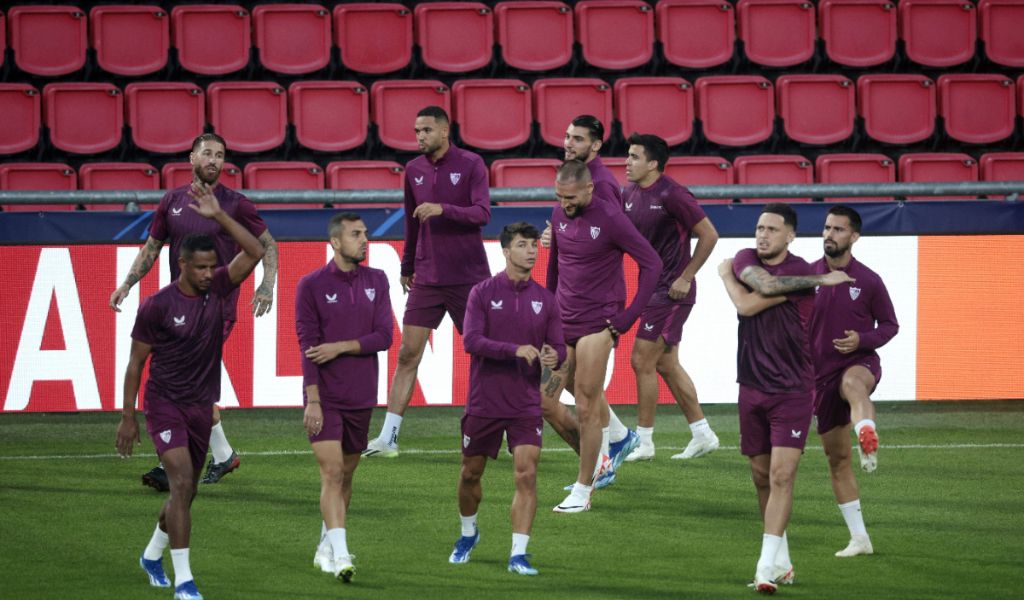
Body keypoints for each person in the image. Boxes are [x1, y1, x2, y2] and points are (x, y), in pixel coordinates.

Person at [116, 183, 265, 600]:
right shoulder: (157, 307)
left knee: (189, 490)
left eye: (211, 267)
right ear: (181, 264)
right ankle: (184, 580)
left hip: (202, 406)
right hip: (165, 405)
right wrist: (128, 418)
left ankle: (151, 554)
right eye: (199, 268)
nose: (207, 274)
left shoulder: (217, 288)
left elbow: (254, 251)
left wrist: (219, 216)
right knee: (181, 483)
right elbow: (134, 366)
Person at [110, 133, 279, 491]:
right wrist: (127, 283)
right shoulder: (171, 201)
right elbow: (153, 247)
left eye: (220, 155)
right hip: (177, 308)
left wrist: (267, 285)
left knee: (178, 381)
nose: (214, 160)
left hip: (217, 307)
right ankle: (221, 454)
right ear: (191, 158)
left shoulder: (235, 203)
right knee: (188, 386)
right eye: (207, 154)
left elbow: (266, 245)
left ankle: (171, 462)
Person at [717, 203, 854, 593]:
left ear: (790, 236)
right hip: (751, 386)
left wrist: (727, 276)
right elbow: (752, 297)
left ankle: (763, 567)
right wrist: (732, 275)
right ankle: (783, 561)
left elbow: (754, 296)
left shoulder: (807, 272)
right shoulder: (751, 259)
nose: (762, 235)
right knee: (761, 477)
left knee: (781, 476)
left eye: (772, 230)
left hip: (793, 389)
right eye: (760, 228)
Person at [363, 106, 490, 458]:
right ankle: (388, 438)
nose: (420, 136)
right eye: (417, 130)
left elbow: (483, 214)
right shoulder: (414, 170)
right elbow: (412, 222)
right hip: (428, 278)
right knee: (407, 354)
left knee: (487, 355)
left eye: (426, 130)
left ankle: (502, 428)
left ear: (445, 131)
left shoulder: (472, 164)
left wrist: (443, 209)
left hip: (469, 278)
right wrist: (406, 264)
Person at [448, 222, 565, 576]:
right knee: (471, 474)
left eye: (533, 245)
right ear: (505, 250)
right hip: (485, 401)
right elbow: (471, 341)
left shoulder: (546, 300)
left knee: (526, 475)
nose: (531, 251)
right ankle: (468, 534)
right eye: (522, 245)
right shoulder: (482, 293)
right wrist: (514, 350)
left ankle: (518, 554)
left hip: (525, 403)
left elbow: (559, 347)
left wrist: (552, 356)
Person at [546, 161, 662, 513]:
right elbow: (554, 267)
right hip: (562, 321)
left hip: (598, 324)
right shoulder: (557, 214)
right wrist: (547, 315)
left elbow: (652, 264)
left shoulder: (610, 218)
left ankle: (583, 490)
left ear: (588, 190)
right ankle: (598, 461)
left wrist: (627, 318)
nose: (564, 203)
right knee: (541, 399)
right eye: (559, 196)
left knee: (585, 400)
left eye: (570, 197)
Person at [540, 115, 641, 478]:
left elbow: (617, 236)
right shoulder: (573, 177)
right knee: (572, 385)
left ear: (596, 145)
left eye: (577, 139)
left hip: (596, 310)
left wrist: (624, 314)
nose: (568, 143)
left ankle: (600, 462)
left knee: (579, 389)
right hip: (569, 306)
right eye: (566, 136)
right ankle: (615, 439)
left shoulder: (603, 185)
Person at [296, 213, 393, 583]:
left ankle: (324, 546)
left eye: (365, 234)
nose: (364, 240)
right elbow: (307, 347)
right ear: (336, 242)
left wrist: (339, 347)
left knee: (346, 475)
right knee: (332, 472)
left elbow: (384, 336)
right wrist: (313, 399)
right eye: (356, 235)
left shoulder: (377, 280)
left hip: (362, 395)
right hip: (327, 397)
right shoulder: (311, 285)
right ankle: (341, 554)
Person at [618, 133, 721, 463]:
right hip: (652, 289)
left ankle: (644, 441)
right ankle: (703, 434)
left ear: (652, 164)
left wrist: (686, 275)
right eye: (628, 156)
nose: (627, 162)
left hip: (672, 292)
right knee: (665, 362)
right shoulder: (629, 194)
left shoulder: (673, 194)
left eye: (634, 157)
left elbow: (709, 234)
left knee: (641, 360)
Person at [809, 205, 898, 558]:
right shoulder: (806, 276)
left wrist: (862, 341)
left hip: (858, 361)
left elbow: (890, 325)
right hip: (818, 375)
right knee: (836, 459)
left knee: (854, 385)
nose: (830, 234)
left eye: (838, 229)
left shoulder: (870, 280)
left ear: (854, 237)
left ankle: (866, 431)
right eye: (827, 228)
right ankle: (860, 539)